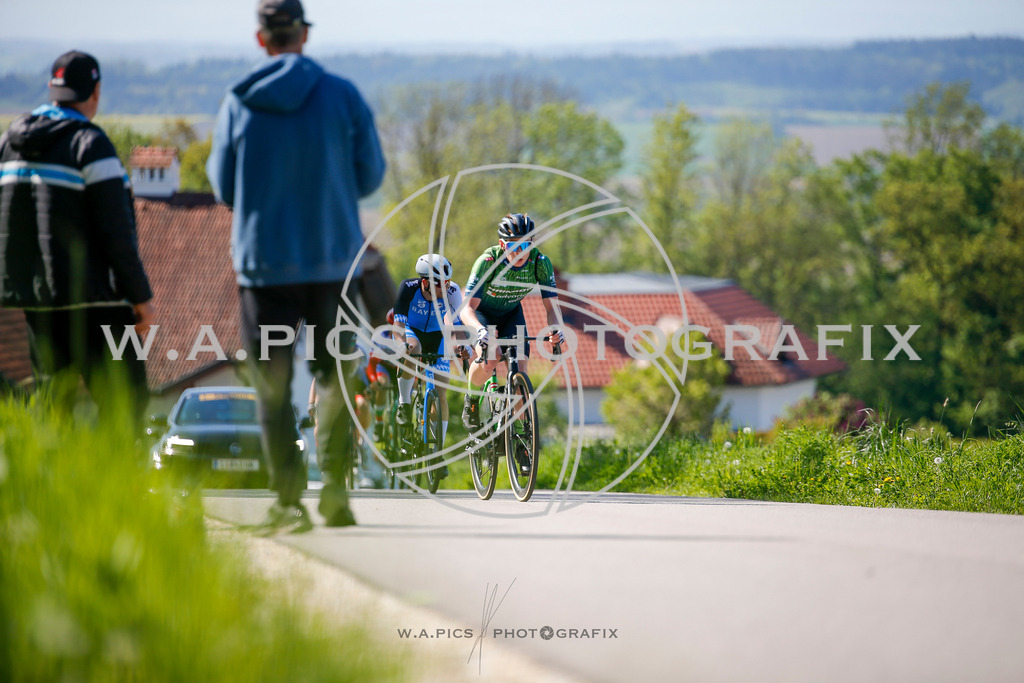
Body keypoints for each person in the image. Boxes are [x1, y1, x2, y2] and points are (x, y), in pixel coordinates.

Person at [206, 0, 386, 533]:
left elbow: (222, 187)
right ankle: (334, 492)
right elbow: (371, 175)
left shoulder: (238, 104)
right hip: (333, 261)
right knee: (334, 376)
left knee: (272, 385)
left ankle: (287, 503)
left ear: (262, 40)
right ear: (303, 35)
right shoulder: (342, 95)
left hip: (265, 265)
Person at [0, 50, 155, 432]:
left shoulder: (8, 143)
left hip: (37, 299)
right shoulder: (89, 143)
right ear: (95, 91)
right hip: (96, 299)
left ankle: (54, 486)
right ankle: (119, 486)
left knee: (54, 402)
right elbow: (116, 231)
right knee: (127, 399)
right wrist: (140, 298)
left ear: (54, 89)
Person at [459, 213, 564, 432]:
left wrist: (556, 329)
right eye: (512, 246)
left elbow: (551, 307)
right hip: (483, 315)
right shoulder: (488, 261)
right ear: (501, 245)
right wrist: (479, 331)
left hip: (511, 314)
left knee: (521, 371)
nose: (519, 252)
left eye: (525, 245)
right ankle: (471, 398)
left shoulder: (540, 263)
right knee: (491, 357)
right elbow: (466, 308)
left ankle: (524, 438)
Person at [392, 254, 465, 479]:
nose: (446, 287)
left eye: (448, 282)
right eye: (440, 283)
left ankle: (437, 454)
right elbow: (398, 325)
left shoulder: (453, 293)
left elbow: (458, 326)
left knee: (441, 390)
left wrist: (462, 347)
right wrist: (401, 345)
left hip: (439, 335)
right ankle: (404, 404)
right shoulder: (408, 288)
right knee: (412, 349)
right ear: (425, 282)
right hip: (413, 332)